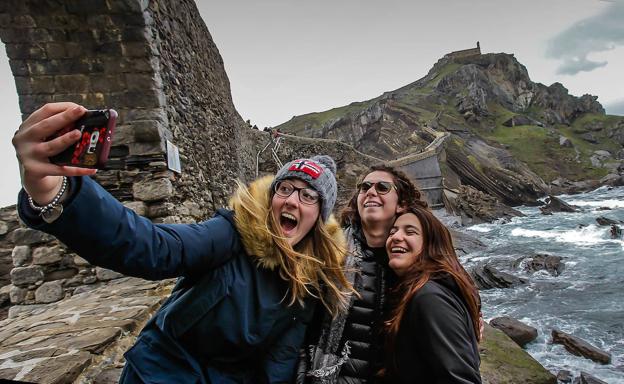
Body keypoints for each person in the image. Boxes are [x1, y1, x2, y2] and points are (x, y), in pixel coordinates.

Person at [12, 102, 353, 383]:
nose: (293, 201)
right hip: (163, 372)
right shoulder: (231, 233)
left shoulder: (310, 282)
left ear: (320, 219)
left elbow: (280, 360)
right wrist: (58, 192)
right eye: (286, 188)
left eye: (309, 196)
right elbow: (155, 247)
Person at [298, 164, 426, 383]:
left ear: (402, 203)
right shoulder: (329, 248)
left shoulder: (416, 255)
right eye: (365, 187)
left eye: (382, 187)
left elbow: (448, 275)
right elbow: (301, 319)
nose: (371, 192)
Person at [383, 205, 482, 383]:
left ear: (431, 244)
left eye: (410, 232)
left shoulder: (430, 298)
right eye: (392, 232)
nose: (396, 237)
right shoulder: (426, 289)